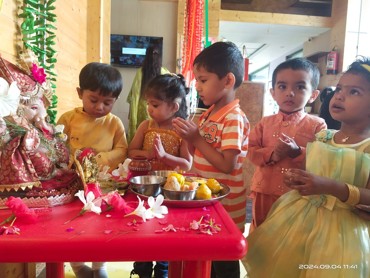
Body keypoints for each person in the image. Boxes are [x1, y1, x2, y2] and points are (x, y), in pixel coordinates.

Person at [244, 56, 370, 278]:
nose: (340, 95)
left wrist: (324, 181)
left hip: (341, 230)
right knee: (274, 253)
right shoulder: (323, 136)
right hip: (293, 211)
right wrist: (289, 166)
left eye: (354, 92)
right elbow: (312, 166)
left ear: (313, 93)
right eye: (340, 88)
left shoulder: (323, 129)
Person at [172, 41, 250, 278]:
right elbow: (201, 154)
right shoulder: (208, 114)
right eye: (196, 80)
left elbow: (227, 165)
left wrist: (196, 138)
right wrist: (187, 137)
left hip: (226, 208)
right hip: (208, 201)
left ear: (227, 81)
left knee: (224, 263)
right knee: (208, 259)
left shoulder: (233, 118)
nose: (197, 86)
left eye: (203, 80)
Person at [57, 62, 128, 278]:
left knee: (101, 226)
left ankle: (100, 266)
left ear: (115, 100)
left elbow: (122, 150)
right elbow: (57, 146)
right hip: (72, 184)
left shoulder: (114, 123)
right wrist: (72, 159)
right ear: (80, 93)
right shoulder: (68, 119)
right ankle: (78, 267)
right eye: (94, 100)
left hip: (103, 183)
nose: (99, 108)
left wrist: (98, 159)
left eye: (107, 102)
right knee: (72, 225)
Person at [247, 57, 327, 232]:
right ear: (273, 92)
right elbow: (250, 150)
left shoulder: (317, 125)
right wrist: (272, 154)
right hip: (264, 189)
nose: (290, 93)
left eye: (300, 87)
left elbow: (323, 159)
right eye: (282, 86)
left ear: (313, 95)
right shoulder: (264, 123)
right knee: (261, 231)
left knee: (291, 237)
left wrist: (297, 151)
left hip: (296, 194)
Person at [129, 73, 192, 278]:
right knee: (143, 230)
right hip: (145, 188)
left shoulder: (181, 131)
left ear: (174, 107)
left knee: (165, 231)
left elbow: (187, 163)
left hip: (169, 192)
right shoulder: (146, 126)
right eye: (149, 103)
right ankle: (142, 270)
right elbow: (131, 151)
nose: (149, 109)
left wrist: (165, 156)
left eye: (154, 105)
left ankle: (163, 270)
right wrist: (147, 154)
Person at [126, 45, 170, 143]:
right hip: (159, 108)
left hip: (141, 108)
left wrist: (132, 115)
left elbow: (134, 96)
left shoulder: (140, 72)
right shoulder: (164, 72)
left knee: (141, 135)